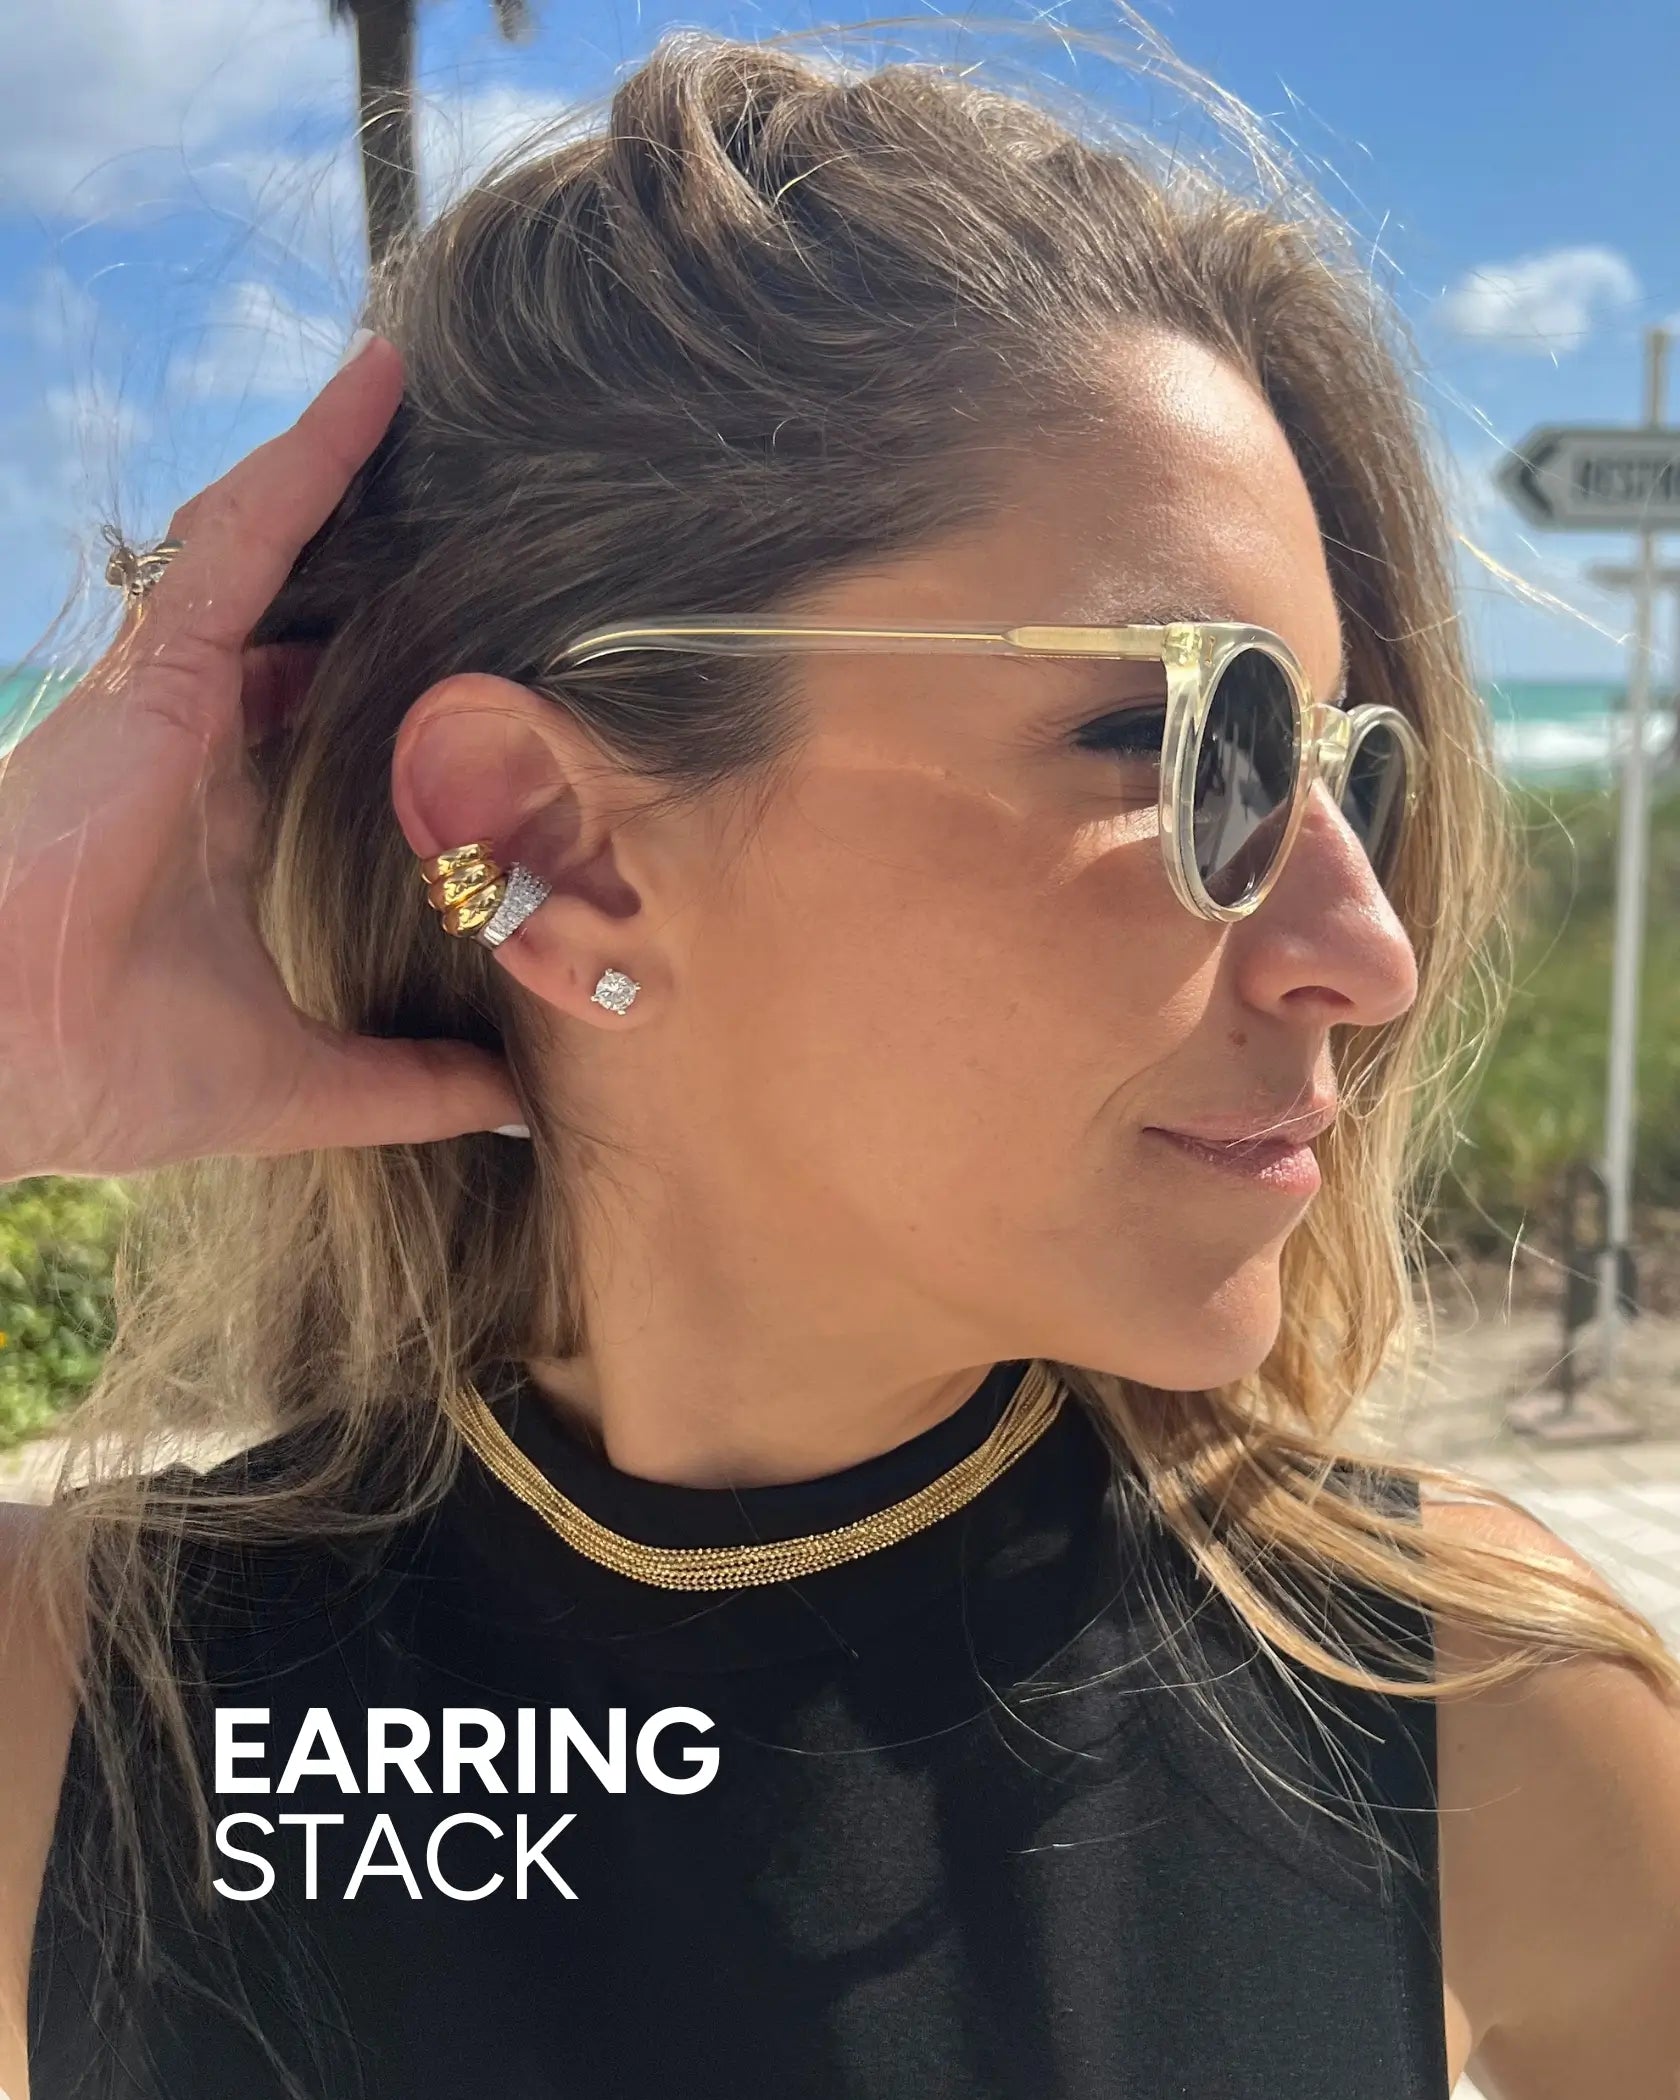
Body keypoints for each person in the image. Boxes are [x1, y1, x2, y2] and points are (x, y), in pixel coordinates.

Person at [2, 28, 1678, 2100]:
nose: (1370, 949)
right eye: (1187, 740)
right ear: (555, 846)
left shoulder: (1458, 1707)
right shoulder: (99, 1712)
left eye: (1348, 765)